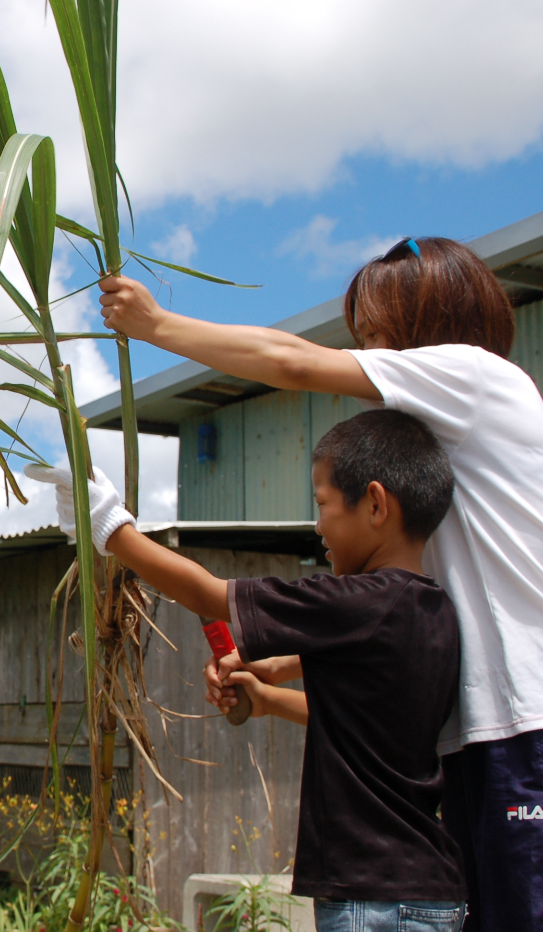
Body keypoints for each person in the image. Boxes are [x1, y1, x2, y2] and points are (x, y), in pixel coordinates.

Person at [98, 237, 543, 932]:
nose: (368, 355)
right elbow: (391, 659)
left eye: (375, 335)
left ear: (430, 319)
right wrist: (286, 672)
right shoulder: (433, 506)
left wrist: (155, 326)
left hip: (523, 732)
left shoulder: (474, 376)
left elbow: (290, 362)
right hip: (480, 742)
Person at [28, 407, 466, 931]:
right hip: (428, 890)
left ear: (374, 503)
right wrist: (263, 695)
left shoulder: (357, 600)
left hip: (372, 897)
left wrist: (109, 526)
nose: (319, 525)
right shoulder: (434, 610)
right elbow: (357, 718)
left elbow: (208, 594)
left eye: (323, 505)